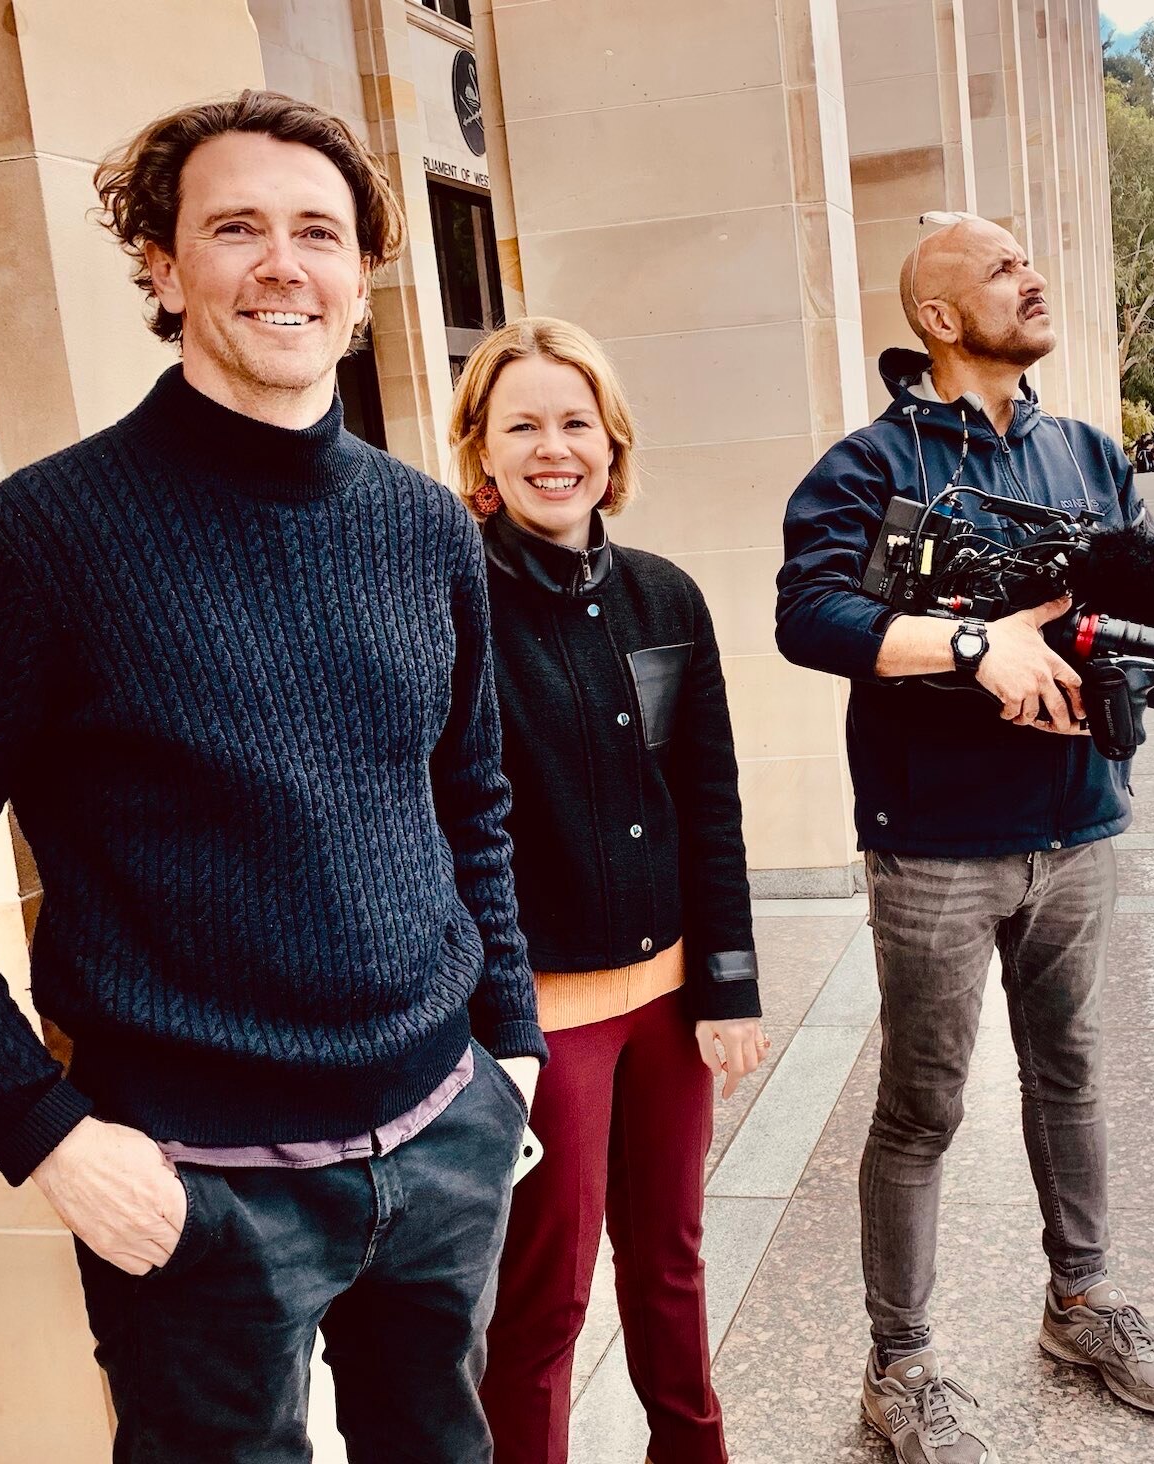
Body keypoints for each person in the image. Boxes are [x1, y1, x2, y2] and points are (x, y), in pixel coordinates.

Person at [0, 91, 545, 1462]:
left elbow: (469, 800)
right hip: (196, 1192)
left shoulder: (426, 527)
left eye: (319, 233)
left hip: (442, 1141)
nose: (283, 264)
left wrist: (509, 1049)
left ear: (362, 279)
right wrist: (45, 1134)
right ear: (163, 269)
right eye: (235, 228)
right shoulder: (37, 546)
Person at [776, 216, 1154, 1463]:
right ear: (941, 319)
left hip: (1076, 828)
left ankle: (1081, 1303)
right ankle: (898, 1366)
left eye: (1029, 259)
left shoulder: (1089, 452)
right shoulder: (867, 464)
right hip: (934, 845)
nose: (1033, 275)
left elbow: (1140, 605)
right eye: (1003, 268)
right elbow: (809, 614)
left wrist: (1119, 649)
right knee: (922, 1105)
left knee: (1069, 1074)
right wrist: (972, 644)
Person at [451, 317, 769, 1464]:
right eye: (522, 426)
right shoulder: (455, 605)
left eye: (575, 422)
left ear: (612, 442)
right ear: (481, 452)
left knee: (671, 1262)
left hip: (672, 1005)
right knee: (547, 1297)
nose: (554, 449)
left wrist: (728, 985)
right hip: (544, 1020)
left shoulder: (665, 596)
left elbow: (709, 800)